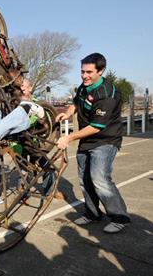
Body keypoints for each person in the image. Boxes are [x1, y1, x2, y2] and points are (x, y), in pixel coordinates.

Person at [56, 52, 130, 233]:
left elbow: (96, 127)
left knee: (99, 179)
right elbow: (76, 102)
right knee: (84, 180)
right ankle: (92, 213)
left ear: (101, 70)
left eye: (89, 72)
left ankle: (119, 217)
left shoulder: (108, 94)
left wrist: (68, 137)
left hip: (105, 140)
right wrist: (67, 113)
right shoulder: (84, 86)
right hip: (87, 141)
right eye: (82, 71)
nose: (84, 76)